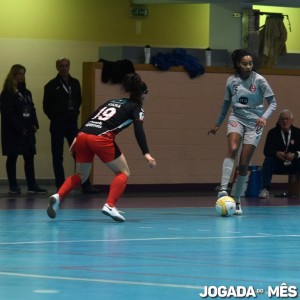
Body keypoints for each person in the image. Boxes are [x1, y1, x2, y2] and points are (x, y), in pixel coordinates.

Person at [46, 73, 156, 222]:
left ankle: (58, 196)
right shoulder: (137, 108)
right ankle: (110, 205)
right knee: (123, 172)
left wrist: (77, 137)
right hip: (100, 137)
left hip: (84, 135)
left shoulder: (112, 101)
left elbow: (91, 117)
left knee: (81, 175)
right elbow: (139, 130)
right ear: (143, 95)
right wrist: (146, 153)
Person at [208, 49, 277, 215]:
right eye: (245, 64)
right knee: (232, 149)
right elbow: (226, 104)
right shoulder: (231, 81)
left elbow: (273, 102)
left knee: (244, 162)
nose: (248, 66)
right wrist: (218, 124)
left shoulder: (260, 80)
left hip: (255, 123)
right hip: (236, 117)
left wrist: (264, 117)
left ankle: (237, 199)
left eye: (251, 63)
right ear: (238, 64)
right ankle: (223, 189)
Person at [43, 57, 98, 193]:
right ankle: (61, 185)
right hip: (57, 124)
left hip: (71, 124)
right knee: (57, 155)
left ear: (69, 66)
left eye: (66, 65)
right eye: (61, 66)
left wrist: (74, 114)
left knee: (79, 154)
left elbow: (78, 100)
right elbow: (46, 107)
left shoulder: (75, 83)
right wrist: (56, 117)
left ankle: (85, 184)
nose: (64, 68)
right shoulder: (50, 85)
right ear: (57, 67)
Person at [0, 64, 47, 194]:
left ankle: (32, 185)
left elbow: (31, 109)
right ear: (13, 75)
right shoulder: (7, 93)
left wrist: (34, 124)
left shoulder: (27, 92)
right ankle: (13, 185)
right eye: (19, 73)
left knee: (29, 157)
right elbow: (8, 114)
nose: (22, 76)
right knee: (12, 157)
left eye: (23, 73)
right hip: (13, 131)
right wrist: (20, 128)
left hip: (27, 130)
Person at [259, 109, 300, 198]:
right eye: (282, 119)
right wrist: (276, 153)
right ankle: (265, 189)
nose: (285, 121)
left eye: (287, 119)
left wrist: (295, 155)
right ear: (279, 121)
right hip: (278, 163)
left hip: (293, 163)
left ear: (292, 120)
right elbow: (266, 151)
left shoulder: (298, 132)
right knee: (268, 161)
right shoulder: (272, 133)